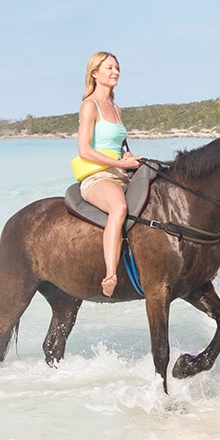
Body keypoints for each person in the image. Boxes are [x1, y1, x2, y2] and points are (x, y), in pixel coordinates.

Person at [76, 52, 143, 296]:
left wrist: (127, 158)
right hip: (97, 176)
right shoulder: (89, 105)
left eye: (117, 68)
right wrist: (119, 165)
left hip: (120, 171)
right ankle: (111, 274)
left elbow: (119, 148)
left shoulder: (116, 109)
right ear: (95, 73)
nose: (115, 72)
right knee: (118, 208)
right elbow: (84, 149)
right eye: (109, 68)